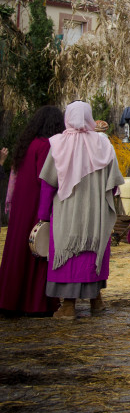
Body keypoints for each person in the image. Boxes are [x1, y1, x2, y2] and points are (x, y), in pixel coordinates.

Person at [38, 100, 124, 320]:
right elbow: (113, 184)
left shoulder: (57, 144)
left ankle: (68, 306)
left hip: (67, 215)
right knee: (93, 252)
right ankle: (96, 300)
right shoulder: (104, 145)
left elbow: (48, 184)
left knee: (69, 253)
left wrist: (42, 216)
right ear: (89, 117)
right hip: (95, 214)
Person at [0, 106, 65, 316]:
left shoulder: (27, 144)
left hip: (21, 204)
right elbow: (44, 178)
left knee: (17, 249)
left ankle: (9, 300)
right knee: (38, 249)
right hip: (36, 203)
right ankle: (35, 304)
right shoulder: (46, 145)